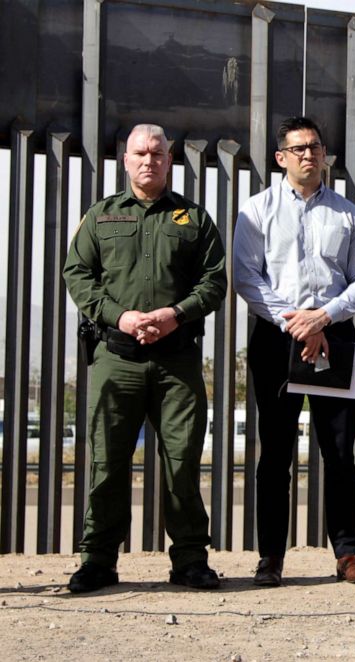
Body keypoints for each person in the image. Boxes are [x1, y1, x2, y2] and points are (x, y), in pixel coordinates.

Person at [62, 124, 226, 593]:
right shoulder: (101, 217)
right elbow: (78, 274)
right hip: (117, 359)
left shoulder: (193, 219)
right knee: (107, 462)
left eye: (157, 153)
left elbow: (214, 282)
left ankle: (191, 560)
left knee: (182, 462)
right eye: (140, 153)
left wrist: (176, 314)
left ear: (170, 160)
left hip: (177, 361)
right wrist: (121, 317)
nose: (149, 160)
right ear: (125, 160)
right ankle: (98, 561)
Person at [233, 116, 355, 587]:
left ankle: (348, 554)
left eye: (315, 146)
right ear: (281, 157)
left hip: (334, 336)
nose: (308, 155)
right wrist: (295, 321)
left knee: (339, 451)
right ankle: (271, 557)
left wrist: (323, 317)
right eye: (298, 148)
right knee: (275, 453)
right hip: (277, 338)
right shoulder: (256, 211)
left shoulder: (348, 213)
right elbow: (247, 278)